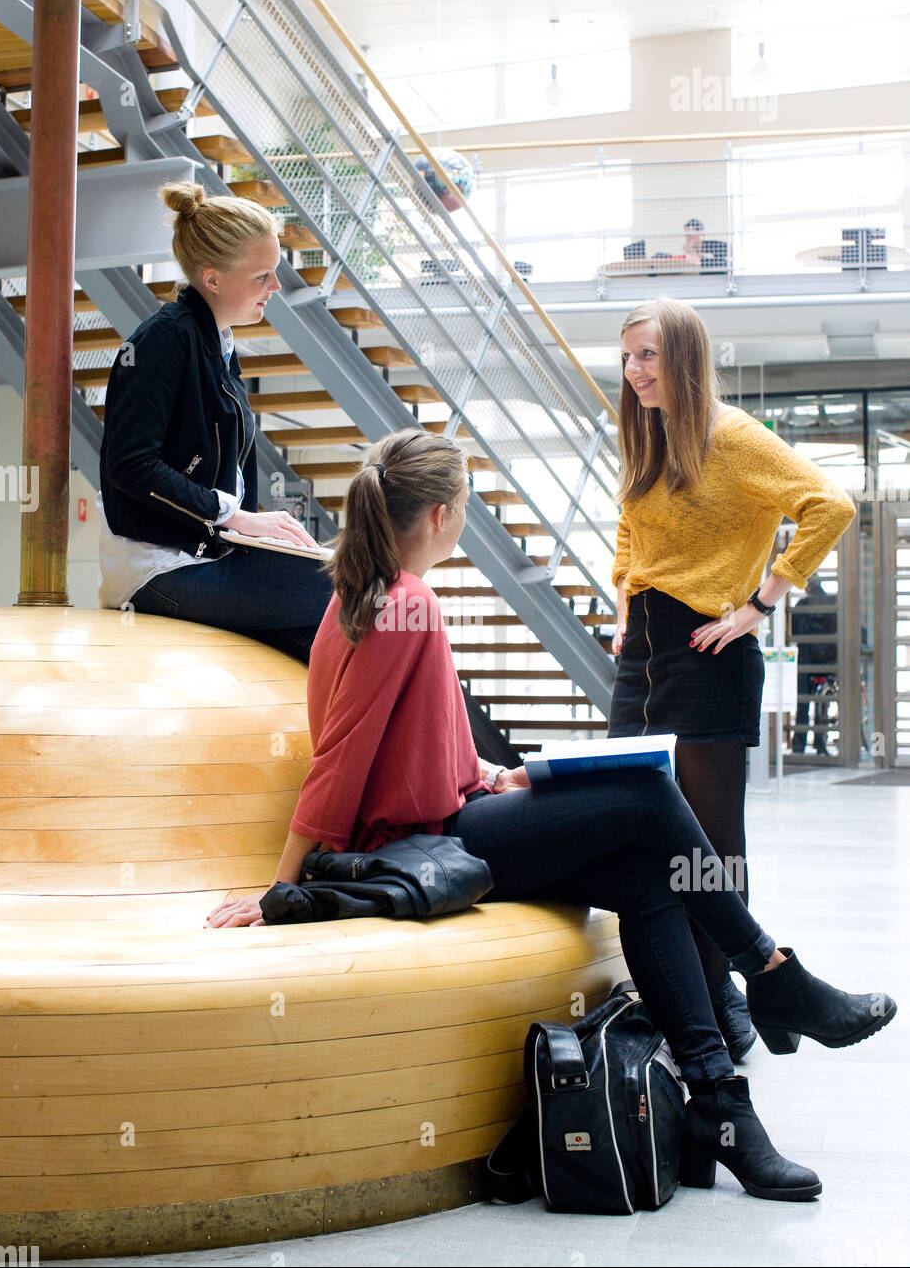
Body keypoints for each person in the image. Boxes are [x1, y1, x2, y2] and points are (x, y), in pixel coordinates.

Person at [207, 428, 895, 1204]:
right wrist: (280, 890)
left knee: (648, 878)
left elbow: (414, 743)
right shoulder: (404, 605)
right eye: (464, 505)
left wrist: (492, 775)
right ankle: (769, 972)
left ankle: (717, 1106)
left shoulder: (366, 596)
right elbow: (340, 758)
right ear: (439, 516)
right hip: (422, 847)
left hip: (454, 816)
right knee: (644, 793)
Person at [609, 297, 857, 1063]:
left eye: (647, 355)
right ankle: (693, 990)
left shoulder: (733, 436)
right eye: (626, 358)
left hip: (708, 651)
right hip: (642, 655)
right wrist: (623, 599)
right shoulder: (649, 436)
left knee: (709, 846)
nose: (634, 371)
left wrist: (759, 604)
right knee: (643, 828)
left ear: (684, 356)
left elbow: (829, 505)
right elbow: (629, 531)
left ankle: (727, 996)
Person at [97, 181, 332, 663]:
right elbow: (131, 465)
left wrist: (258, 529)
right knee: (353, 594)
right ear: (213, 278)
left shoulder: (216, 341)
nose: (276, 286)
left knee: (338, 641)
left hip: (202, 555)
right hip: (155, 572)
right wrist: (234, 515)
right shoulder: (163, 341)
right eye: (263, 275)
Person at [790, 578, 838, 755]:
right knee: (823, 704)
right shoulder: (834, 603)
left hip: (805, 662)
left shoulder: (801, 605)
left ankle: (798, 745)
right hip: (828, 663)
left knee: (802, 705)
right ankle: (820, 744)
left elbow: (795, 633)